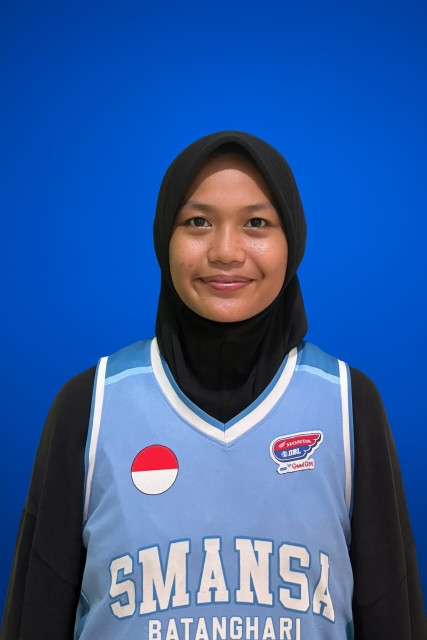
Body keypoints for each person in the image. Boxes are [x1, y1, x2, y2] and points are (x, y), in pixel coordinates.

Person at [1, 130, 426, 639]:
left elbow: (391, 613)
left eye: (256, 223)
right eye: (198, 222)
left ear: (293, 240)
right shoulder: (89, 406)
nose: (225, 251)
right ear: (165, 237)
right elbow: (35, 617)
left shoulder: (347, 403)